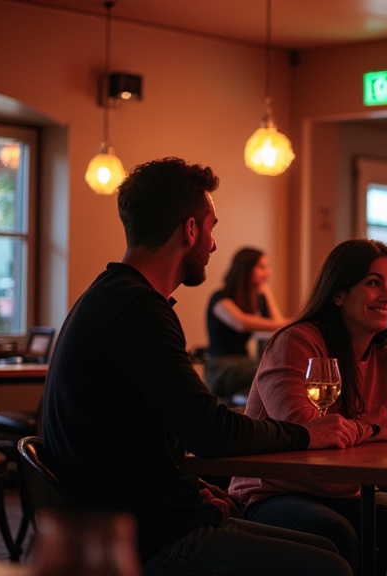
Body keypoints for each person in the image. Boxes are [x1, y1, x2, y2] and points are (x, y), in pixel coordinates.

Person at [40, 157, 352, 576]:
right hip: (145, 540)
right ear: (190, 230)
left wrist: (196, 491)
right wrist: (306, 433)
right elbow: (211, 431)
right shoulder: (138, 309)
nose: (214, 244)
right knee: (328, 566)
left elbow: (139, 435)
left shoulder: (108, 295)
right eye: (212, 227)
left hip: (133, 516)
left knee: (329, 547)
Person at [228, 238, 387, 576]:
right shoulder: (296, 342)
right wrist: (375, 421)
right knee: (337, 533)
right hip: (274, 492)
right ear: (337, 294)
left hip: (347, 491)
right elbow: (308, 431)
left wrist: (377, 428)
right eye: (373, 283)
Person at [204, 247, 287, 400]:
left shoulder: (255, 300)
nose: (268, 272)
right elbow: (241, 323)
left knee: (270, 370)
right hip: (220, 368)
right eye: (262, 267)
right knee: (271, 368)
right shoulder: (220, 298)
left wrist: (267, 293)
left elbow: (278, 324)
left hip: (244, 364)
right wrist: (295, 322)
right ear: (246, 270)